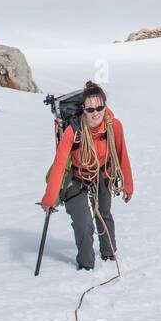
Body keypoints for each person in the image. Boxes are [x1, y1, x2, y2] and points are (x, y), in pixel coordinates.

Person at [39, 81, 134, 271]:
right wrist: (50, 198)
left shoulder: (114, 126)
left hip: (103, 173)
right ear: (84, 110)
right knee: (84, 223)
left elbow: (121, 153)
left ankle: (109, 253)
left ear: (105, 106)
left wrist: (128, 185)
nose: (95, 113)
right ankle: (86, 266)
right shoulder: (72, 131)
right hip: (76, 177)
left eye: (99, 107)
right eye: (90, 109)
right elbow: (59, 165)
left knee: (104, 214)